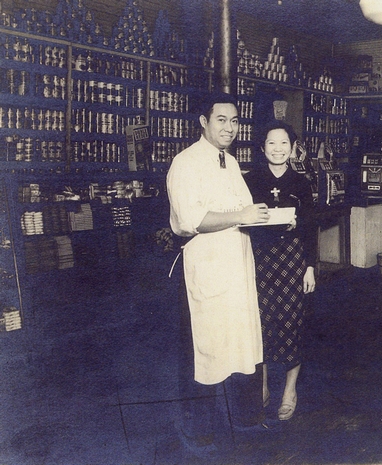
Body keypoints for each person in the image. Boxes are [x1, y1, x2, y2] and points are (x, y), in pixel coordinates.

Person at [166, 93, 272, 451]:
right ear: (203, 122)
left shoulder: (229, 161)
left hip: (237, 270)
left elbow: (242, 210)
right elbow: (189, 220)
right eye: (221, 120)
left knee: (241, 344)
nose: (229, 127)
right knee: (206, 351)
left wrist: (267, 217)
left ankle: (246, 419)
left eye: (235, 121)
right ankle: (200, 433)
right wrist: (241, 217)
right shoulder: (186, 163)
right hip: (207, 269)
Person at [244, 120, 318, 421]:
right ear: (262, 148)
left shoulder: (301, 183)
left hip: (292, 259)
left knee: (292, 321)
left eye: (284, 143)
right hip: (259, 257)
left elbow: (311, 226)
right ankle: (261, 384)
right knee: (259, 320)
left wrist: (310, 266)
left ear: (293, 147)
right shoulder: (250, 180)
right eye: (272, 143)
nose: (278, 149)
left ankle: (289, 389)